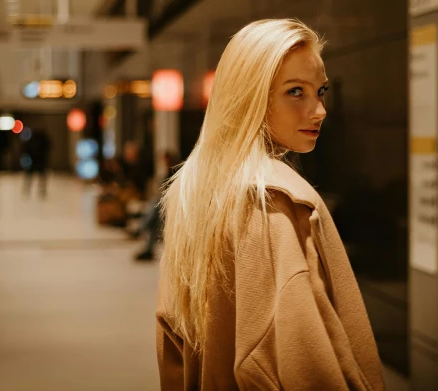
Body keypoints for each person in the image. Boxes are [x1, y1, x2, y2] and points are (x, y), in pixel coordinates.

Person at [156, 19, 386, 389]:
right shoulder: (273, 203)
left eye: (321, 91)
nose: (319, 110)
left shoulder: (196, 188)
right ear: (250, 96)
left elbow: (172, 343)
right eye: (296, 92)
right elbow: (307, 366)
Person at [134, 149, 178, 261]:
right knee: (153, 217)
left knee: (154, 213)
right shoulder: (168, 172)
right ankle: (147, 245)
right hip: (167, 205)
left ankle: (142, 228)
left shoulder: (175, 173)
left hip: (172, 206)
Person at [22, 128, 51, 198]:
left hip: (37, 160)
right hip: (37, 160)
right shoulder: (39, 140)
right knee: (34, 175)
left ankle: (35, 189)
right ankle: (31, 189)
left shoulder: (34, 140)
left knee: (36, 175)